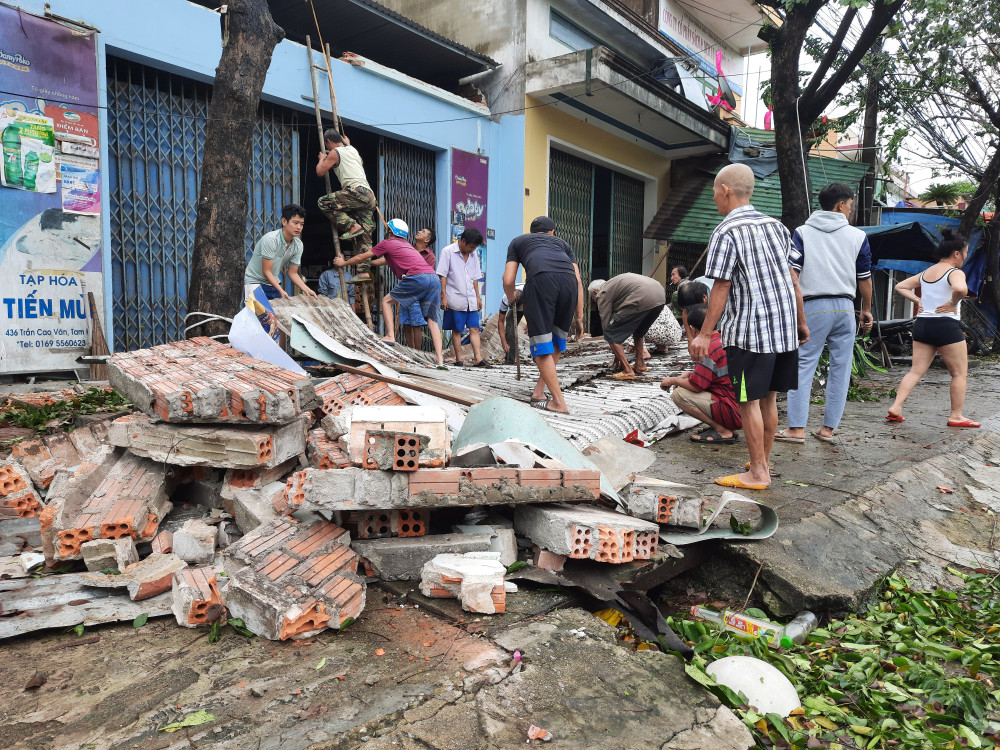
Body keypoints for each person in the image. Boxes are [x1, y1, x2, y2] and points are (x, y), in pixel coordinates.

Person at [690, 163, 808, 491]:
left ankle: (757, 473)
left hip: (749, 334)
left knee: (747, 401)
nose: (715, 198)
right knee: (768, 399)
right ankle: (763, 462)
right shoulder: (777, 227)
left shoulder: (726, 231)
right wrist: (800, 321)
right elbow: (792, 278)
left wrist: (704, 333)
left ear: (726, 190)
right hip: (782, 331)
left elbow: (721, 286)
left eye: (715, 192)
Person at [777, 183, 874, 444]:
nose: (851, 211)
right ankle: (827, 430)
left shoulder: (802, 232)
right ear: (841, 205)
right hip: (845, 308)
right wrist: (866, 309)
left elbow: (792, 275)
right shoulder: (857, 236)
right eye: (851, 206)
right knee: (841, 369)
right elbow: (864, 277)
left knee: (804, 366)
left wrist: (793, 311)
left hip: (813, 307)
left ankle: (796, 429)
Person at [886, 229, 978, 427]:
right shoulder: (955, 272)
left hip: (922, 325)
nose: (965, 257)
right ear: (956, 253)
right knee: (959, 373)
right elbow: (961, 289)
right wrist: (953, 303)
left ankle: (896, 406)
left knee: (915, 371)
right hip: (946, 326)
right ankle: (956, 416)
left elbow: (900, 286)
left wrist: (917, 299)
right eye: (965, 253)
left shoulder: (927, 272)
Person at [334, 218, 445, 365]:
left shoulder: (387, 243)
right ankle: (440, 359)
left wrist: (344, 263)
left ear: (389, 232)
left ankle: (390, 336)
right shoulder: (407, 246)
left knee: (386, 301)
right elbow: (379, 261)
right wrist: (362, 263)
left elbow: (363, 256)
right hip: (433, 278)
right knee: (432, 320)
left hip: (417, 277)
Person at [503, 216, 584, 414]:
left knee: (541, 345)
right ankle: (539, 392)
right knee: (555, 342)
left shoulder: (518, 242)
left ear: (532, 232)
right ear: (552, 233)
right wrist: (580, 317)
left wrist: (511, 295)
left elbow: (508, 278)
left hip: (541, 281)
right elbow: (578, 280)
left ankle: (558, 402)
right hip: (569, 284)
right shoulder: (563, 244)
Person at [661, 303, 742, 443]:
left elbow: (697, 385)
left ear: (692, 328)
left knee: (679, 394)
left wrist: (672, 380)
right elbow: (716, 373)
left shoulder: (709, 347)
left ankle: (722, 430)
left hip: (732, 409)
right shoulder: (725, 339)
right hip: (744, 407)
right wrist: (689, 373)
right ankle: (726, 427)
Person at [315, 129, 376, 276]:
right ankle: (363, 272)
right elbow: (360, 162)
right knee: (366, 232)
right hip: (370, 196)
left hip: (357, 191)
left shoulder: (334, 152)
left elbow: (320, 172)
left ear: (329, 142)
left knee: (323, 202)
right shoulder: (352, 149)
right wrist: (348, 144)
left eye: (327, 145)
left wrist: (322, 158)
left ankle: (351, 225)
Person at [588, 273, 665, 379]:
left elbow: (606, 324)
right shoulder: (614, 286)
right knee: (639, 332)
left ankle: (627, 370)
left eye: (593, 298)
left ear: (595, 292)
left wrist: (617, 353)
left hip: (642, 296)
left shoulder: (602, 293)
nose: (594, 301)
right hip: (660, 296)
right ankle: (640, 364)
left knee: (610, 333)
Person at [244, 203, 317, 301]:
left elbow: (293, 273)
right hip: (253, 284)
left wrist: (307, 289)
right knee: (260, 316)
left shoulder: (298, 245)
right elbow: (266, 271)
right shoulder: (270, 239)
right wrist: (281, 291)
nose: (299, 227)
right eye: (295, 223)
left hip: (273, 284)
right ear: (284, 221)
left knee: (278, 316)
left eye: (302, 224)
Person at [438, 228, 488, 367]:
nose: (472, 250)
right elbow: (442, 274)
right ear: (463, 241)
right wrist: (443, 296)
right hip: (455, 297)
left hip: (471, 299)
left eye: (475, 247)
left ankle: (478, 358)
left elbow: (475, 278)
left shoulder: (473, 256)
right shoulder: (447, 251)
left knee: (474, 328)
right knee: (457, 329)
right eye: (471, 246)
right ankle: (459, 359)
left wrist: (478, 297)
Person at [395, 227, 437, 349]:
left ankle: (417, 352)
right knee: (406, 324)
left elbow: (426, 276)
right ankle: (410, 351)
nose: (418, 231)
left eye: (423, 232)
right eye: (420, 230)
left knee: (416, 324)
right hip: (405, 290)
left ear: (427, 240)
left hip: (419, 293)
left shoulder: (430, 257)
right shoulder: (408, 249)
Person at [497, 282, 525, 365]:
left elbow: (538, 314)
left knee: (536, 329)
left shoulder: (531, 293)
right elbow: (501, 322)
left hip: (531, 306)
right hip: (517, 306)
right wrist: (504, 342)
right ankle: (510, 359)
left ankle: (538, 358)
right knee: (509, 329)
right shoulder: (505, 299)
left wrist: (530, 325)